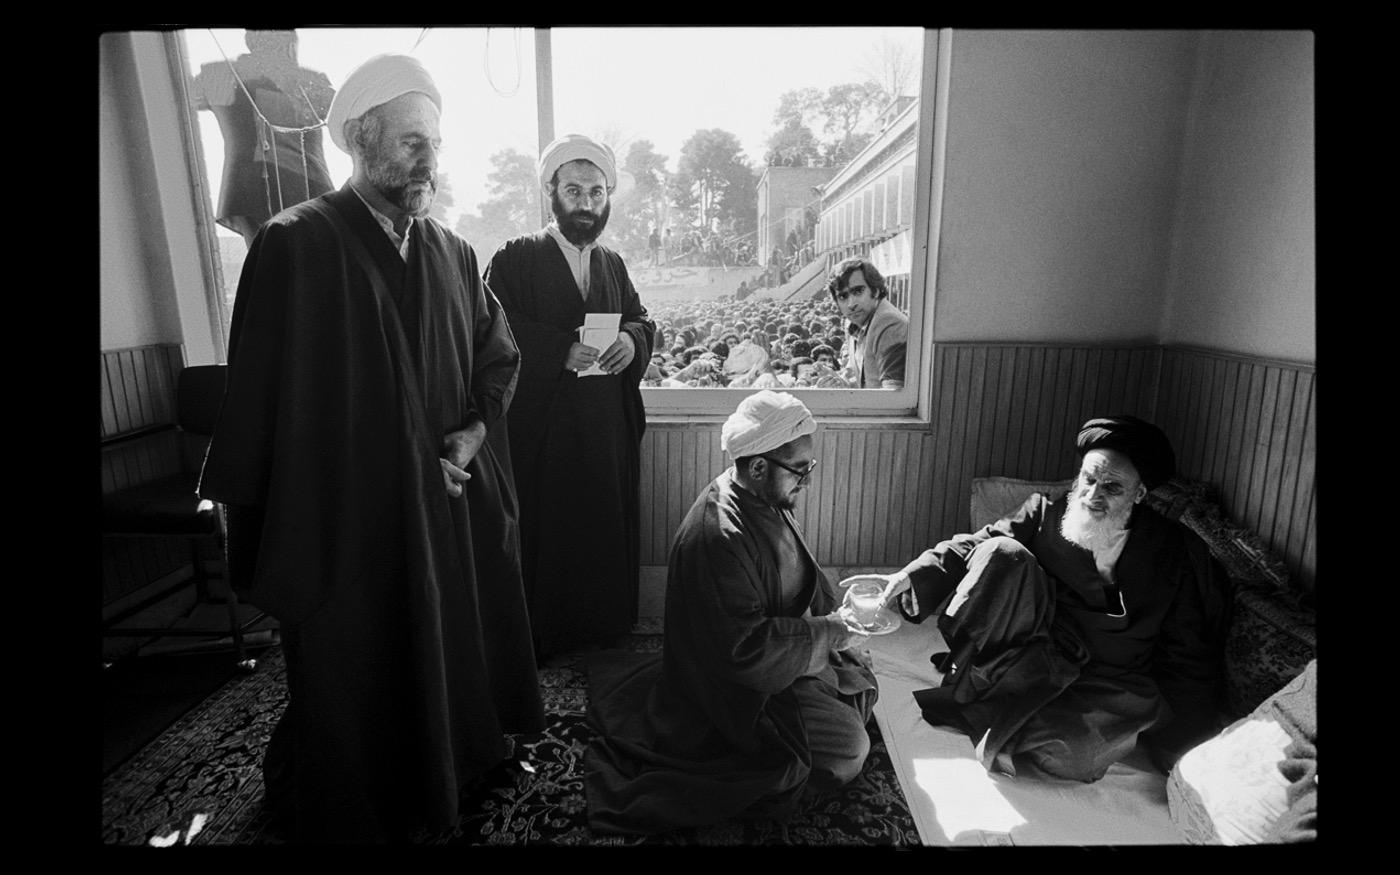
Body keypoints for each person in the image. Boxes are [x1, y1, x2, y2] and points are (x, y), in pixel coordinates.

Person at [197, 53, 544, 843]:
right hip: (346, 528)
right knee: (359, 675)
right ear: (360, 136)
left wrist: (466, 440)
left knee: (454, 649)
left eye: (436, 145)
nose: (430, 162)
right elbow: (259, 407)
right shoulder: (293, 248)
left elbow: (499, 356)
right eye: (413, 142)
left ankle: (461, 762)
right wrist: (249, 519)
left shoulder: (454, 254)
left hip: (445, 515)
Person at [585, 391, 878, 834]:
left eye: (809, 468)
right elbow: (742, 651)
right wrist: (830, 634)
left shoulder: (763, 499)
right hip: (732, 691)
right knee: (850, 751)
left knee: (861, 677)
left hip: (782, 656)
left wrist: (832, 622)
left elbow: (797, 583)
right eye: (801, 470)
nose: (808, 481)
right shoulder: (719, 535)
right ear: (758, 467)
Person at [878, 415, 1231, 782]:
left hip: (1109, 679)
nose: (1093, 496)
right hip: (1033, 653)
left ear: (1139, 494)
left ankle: (1011, 714)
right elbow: (976, 542)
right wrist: (911, 575)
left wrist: (1183, 744)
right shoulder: (1045, 511)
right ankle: (996, 690)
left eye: (1111, 488)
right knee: (1002, 552)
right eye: (1088, 480)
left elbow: (1186, 649)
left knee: (1076, 756)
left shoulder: (1172, 551)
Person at [484, 133, 656, 661]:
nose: (586, 204)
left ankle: (601, 629)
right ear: (551, 192)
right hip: (543, 433)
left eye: (597, 193)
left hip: (604, 429)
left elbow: (641, 318)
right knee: (547, 533)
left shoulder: (612, 262)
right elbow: (493, 327)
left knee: (601, 530)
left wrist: (631, 340)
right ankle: (543, 635)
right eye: (575, 191)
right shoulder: (515, 257)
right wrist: (558, 349)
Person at [191, 30, 336, 245]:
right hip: (297, 188)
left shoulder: (219, 73)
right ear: (289, 42)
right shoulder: (311, 81)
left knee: (268, 265)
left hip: (252, 190)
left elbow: (185, 97)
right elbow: (346, 115)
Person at [827, 256, 908, 389]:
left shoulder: (888, 323)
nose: (851, 304)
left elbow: (893, 398)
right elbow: (865, 381)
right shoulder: (853, 324)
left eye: (858, 291)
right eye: (843, 296)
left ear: (875, 290)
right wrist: (839, 382)